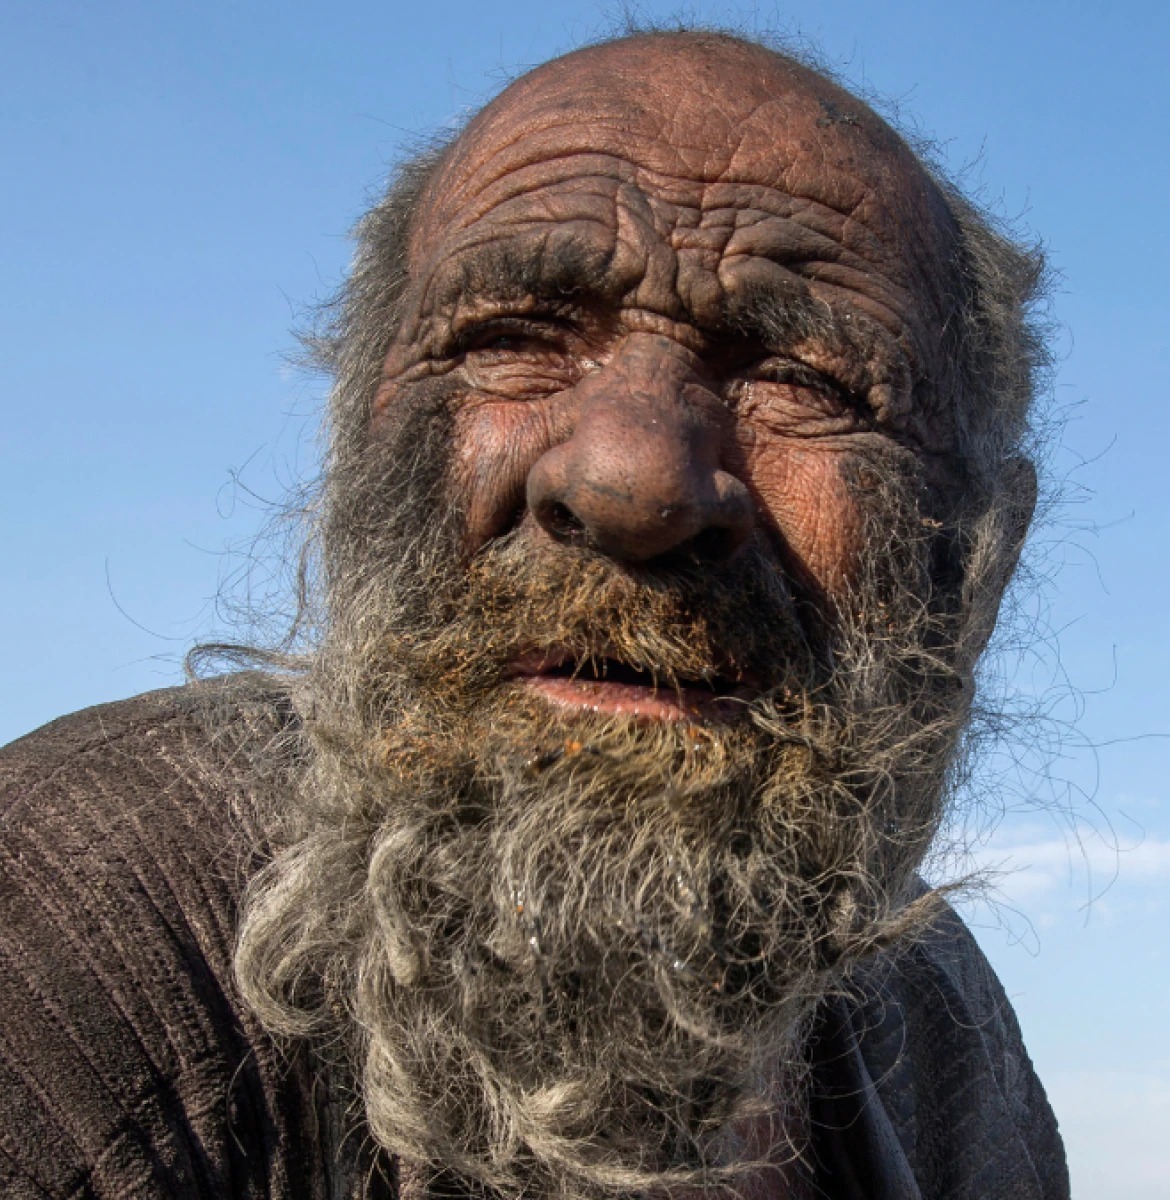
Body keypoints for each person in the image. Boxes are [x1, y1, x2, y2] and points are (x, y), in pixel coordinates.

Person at [0, 30, 1069, 1200]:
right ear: (364, 460)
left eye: (803, 379)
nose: (631, 482)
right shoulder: (70, 935)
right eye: (511, 339)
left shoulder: (944, 1033)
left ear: (978, 564)